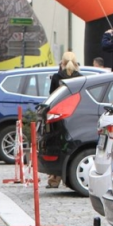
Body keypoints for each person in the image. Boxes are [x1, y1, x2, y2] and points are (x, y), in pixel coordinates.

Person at [47, 51, 82, 188]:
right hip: (74, 115)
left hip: (59, 115)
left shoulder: (57, 77)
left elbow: (52, 96)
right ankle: (69, 178)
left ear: (62, 62)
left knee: (58, 146)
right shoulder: (79, 77)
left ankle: (54, 179)